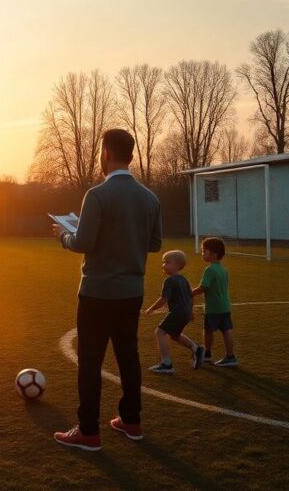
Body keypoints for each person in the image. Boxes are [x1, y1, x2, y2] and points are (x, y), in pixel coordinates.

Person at [52, 129, 162, 451]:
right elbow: (154, 244)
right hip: (132, 292)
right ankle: (131, 420)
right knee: (128, 356)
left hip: (98, 292)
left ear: (105, 153)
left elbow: (83, 242)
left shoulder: (97, 195)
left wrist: (63, 235)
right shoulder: (150, 198)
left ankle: (88, 430)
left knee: (90, 361)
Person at [144, 250, 205, 373]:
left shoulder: (169, 281)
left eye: (167, 262)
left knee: (159, 332)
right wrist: (190, 312)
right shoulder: (184, 280)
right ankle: (196, 348)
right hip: (185, 312)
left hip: (178, 312)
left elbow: (163, 299)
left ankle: (166, 363)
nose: (163, 265)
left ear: (177, 265)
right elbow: (190, 296)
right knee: (174, 335)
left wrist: (151, 308)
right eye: (163, 262)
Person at [191, 237, 237, 367]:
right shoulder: (223, 270)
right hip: (225, 305)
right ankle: (231, 356)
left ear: (213, 253)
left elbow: (203, 287)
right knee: (226, 330)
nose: (202, 253)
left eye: (204, 251)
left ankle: (207, 354)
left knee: (208, 330)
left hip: (213, 307)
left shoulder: (210, 270)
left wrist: (190, 293)